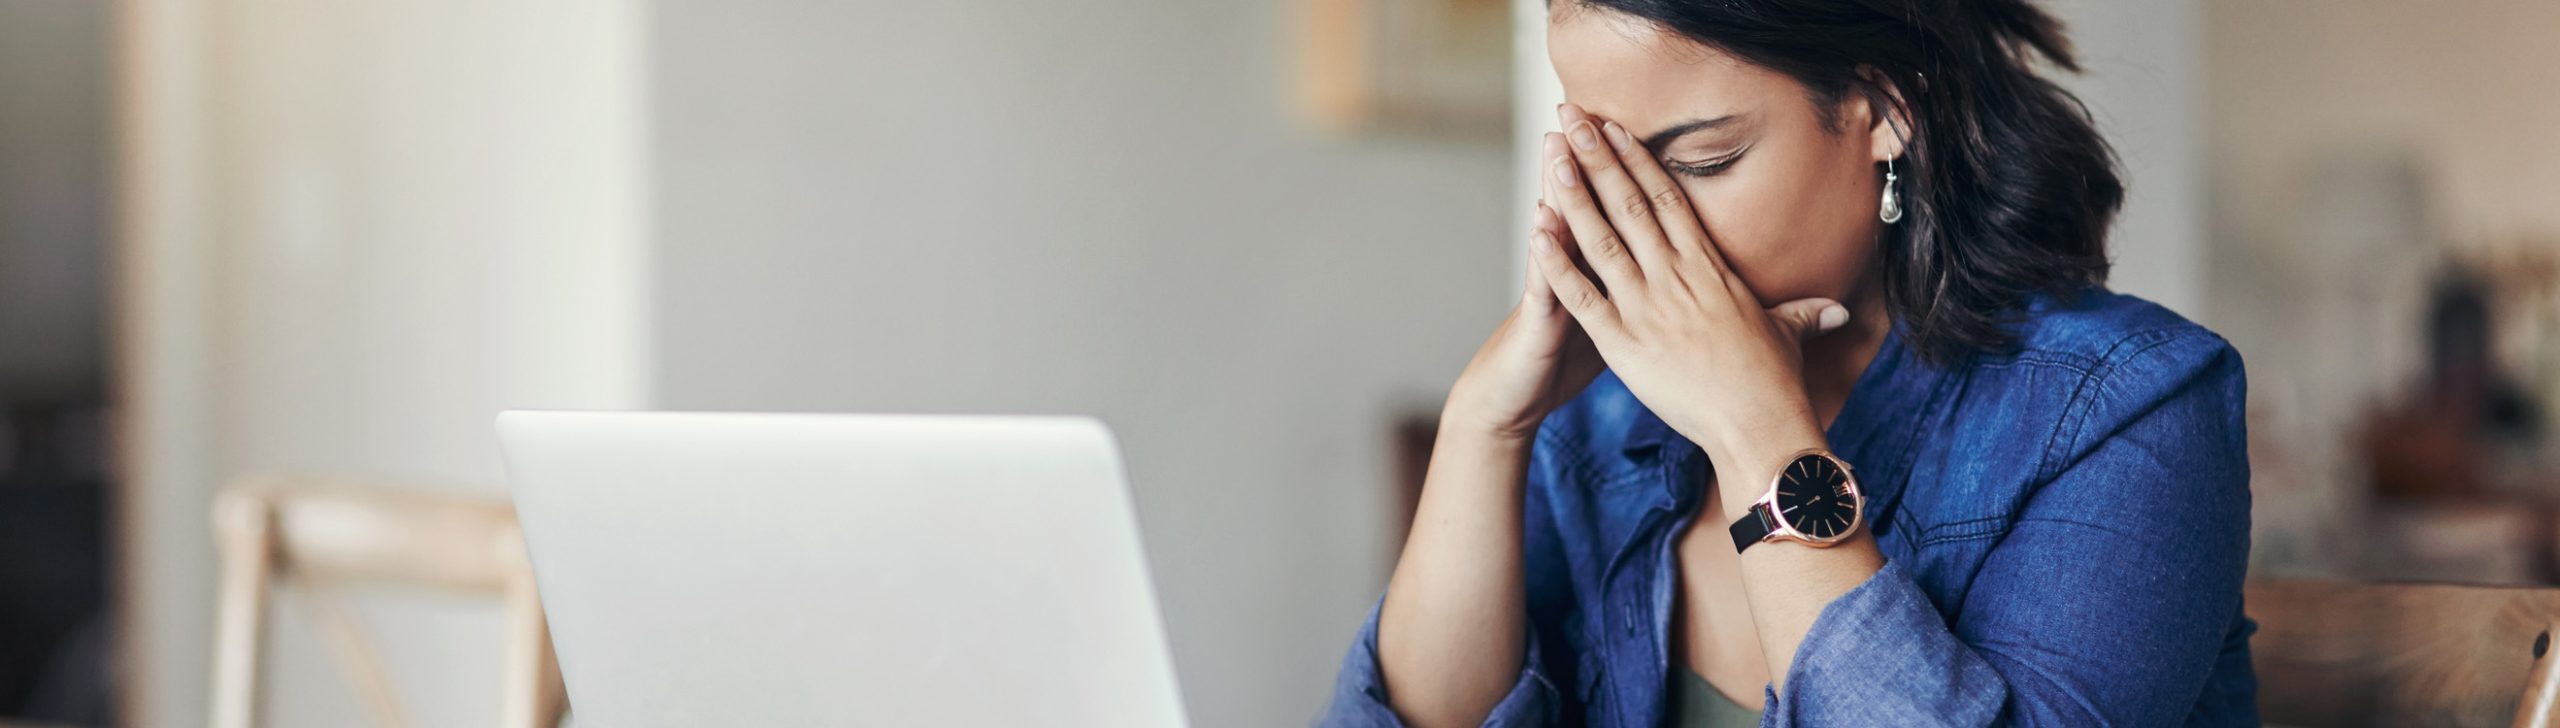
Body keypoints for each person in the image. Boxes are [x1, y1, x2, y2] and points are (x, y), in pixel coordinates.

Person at [1321, 1, 2257, 726]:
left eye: (1702, 160)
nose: (1650, 226)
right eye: (1606, 166)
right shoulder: (1597, 423)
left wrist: (1754, 430)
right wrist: (1488, 422)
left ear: (1887, 109)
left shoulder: (2130, 407)